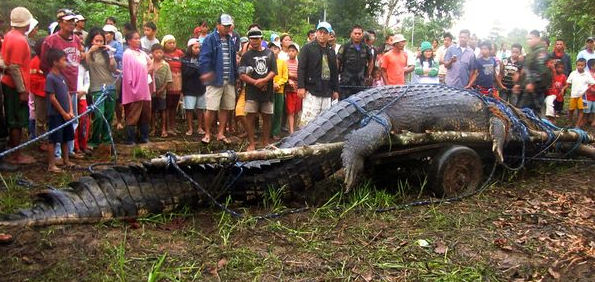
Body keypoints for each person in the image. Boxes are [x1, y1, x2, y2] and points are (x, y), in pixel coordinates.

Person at [41, 9, 85, 160]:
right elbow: (44, 63)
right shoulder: (51, 40)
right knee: (58, 119)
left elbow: (78, 59)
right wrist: (54, 78)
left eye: (74, 21)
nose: (72, 24)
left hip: (72, 84)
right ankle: (57, 154)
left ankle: (70, 151)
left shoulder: (76, 40)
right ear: (60, 23)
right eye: (68, 21)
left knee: (72, 118)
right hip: (57, 85)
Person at [2, 7, 35, 165]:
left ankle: (14, 151)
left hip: (10, 83)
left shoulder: (9, 35)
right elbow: (14, 67)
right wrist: (22, 90)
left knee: (14, 118)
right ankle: (16, 154)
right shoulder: (19, 40)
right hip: (15, 85)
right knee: (16, 119)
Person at [198, 14, 238, 145]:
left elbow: (233, 60)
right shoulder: (210, 39)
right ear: (218, 25)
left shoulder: (230, 40)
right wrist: (206, 73)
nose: (227, 28)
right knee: (211, 107)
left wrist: (235, 76)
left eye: (228, 26)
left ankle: (221, 133)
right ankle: (208, 133)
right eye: (225, 26)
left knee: (226, 107)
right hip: (215, 79)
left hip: (229, 78)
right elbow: (204, 59)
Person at [239, 28, 277, 151]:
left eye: (256, 38)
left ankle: (265, 141)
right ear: (249, 40)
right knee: (250, 116)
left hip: (267, 90)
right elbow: (242, 74)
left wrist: (264, 80)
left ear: (261, 39)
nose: (254, 41)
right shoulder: (246, 56)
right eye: (252, 39)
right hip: (251, 91)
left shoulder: (270, 53)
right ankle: (252, 143)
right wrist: (256, 82)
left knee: (267, 116)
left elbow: (273, 71)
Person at [297, 21, 339, 128]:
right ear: (317, 32)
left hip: (327, 90)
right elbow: (301, 68)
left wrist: (335, 90)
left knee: (324, 122)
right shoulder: (307, 48)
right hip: (311, 89)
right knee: (308, 121)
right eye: (320, 32)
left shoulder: (331, 51)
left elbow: (334, 72)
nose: (322, 35)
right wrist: (301, 87)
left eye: (325, 33)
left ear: (330, 35)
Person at [85, 29, 117, 153]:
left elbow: (113, 68)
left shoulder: (106, 53)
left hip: (110, 86)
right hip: (96, 87)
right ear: (92, 41)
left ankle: (106, 140)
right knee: (99, 114)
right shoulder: (89, 52)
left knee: (109, 115)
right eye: (96, 40)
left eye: (101, 40)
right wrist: (90, 51)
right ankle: (94, 140)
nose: (99, 43)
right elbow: (87, 64)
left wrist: (111, 54)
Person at [45, 48, 76, 172]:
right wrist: (63, 112)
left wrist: (71, 110)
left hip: (66, 114)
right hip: (56, 114)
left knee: (66, 137)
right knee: (53, 139)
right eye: (64, 60)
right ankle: (51, 164)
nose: (66, 63)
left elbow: (68, 94)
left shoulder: (62, 77)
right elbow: (52, 98)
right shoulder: (50, 78)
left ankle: (66, 159)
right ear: (55, 62)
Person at [121, 31, 152, 145]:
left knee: (145, 112)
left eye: (139, 38)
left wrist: (145, 72)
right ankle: (131, 138)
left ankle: (144, 136)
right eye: (135, 38)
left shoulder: (142, 53)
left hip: (144, 87)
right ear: (129, 41)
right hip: (134, 88)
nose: (138, 40)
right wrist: (133, 84)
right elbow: (128, 72)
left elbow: (151, 64)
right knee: (133, 113)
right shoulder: (128, 53)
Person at [514, 30, 551, 114]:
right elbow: (527, 69)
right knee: (523, 112)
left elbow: (542, 71)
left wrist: (533, 84)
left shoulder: (540, 52)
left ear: (538, 39)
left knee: (531, 114)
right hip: (528, 89)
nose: (528, 41)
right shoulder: (532, 52)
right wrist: (519, 83)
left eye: (531, 38)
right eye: (528, 39)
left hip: (536, 90)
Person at [337, 25, 373, 99]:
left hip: (360, 82)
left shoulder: (366, 48)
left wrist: (368, 75)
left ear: (362, 35)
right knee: (344, 106)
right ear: (351, 34)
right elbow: (337, 61)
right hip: (346, 83)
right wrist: (336, 76)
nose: (357, 35)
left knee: (360, 105)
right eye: (355, 33)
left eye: (359, 34)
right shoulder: (345, 47)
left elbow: (371, 60)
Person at [182, 38, 206, 136]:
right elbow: (185, 73)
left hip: (201, 87)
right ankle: (190, 128)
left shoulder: (203, 58)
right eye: (195, 47)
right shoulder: (185, 59)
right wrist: (194, 68)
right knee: (189, 109)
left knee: (201, 108)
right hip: (189, 88)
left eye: (199, 48)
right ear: (190, 47)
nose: (198, 50)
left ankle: (200, 127)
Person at [161, 35, 184, 136]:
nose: (172, 45)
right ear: (164, 44)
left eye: (173, 42)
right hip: (167, 82)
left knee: (174, 105)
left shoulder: (179, 53)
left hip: (178, 81)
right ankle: (166, 127)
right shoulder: (162, 54)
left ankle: (173, 126)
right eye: (169, 43)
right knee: (167, 105)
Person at [562, 58, 595, 127]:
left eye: (582, 65)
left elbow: (592, 83)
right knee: (571, 110)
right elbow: (568, 83)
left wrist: (586, 89)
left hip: (583, 95)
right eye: (578, 65)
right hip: (573, 94)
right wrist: (563, 88)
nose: (580, 67)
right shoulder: (573, 73)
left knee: (581, 110)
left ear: (585, 66)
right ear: (576, 65)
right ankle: (570, 123)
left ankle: (577, 124)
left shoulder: (587, 74)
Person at [29, 37, 47, 151]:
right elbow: (32, 79)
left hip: (50, 94)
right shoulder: (35, 61)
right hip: (40, 93)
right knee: (40, 119)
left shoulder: (49, 60)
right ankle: (41, 141)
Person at [150, 44, 171, 138]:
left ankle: (163, 129)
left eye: (160, 52)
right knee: (152, 110)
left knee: (163, 110)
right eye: (156, 52)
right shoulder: (150, 63)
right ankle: (153, 128)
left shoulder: (166, 65)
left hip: (162, 92)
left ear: (163, 53)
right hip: (151, 92)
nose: (158, 54)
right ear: (152, 53)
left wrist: (162, 89)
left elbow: (168, 79)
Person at [268, 41, 288, 140]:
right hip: (269, 90)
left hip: (279, 90)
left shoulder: (282, 62)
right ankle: (268, 132)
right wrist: (272, 84)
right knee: (269, 112)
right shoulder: (267, 61)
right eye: (271, 48)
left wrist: (278, 84)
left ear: (279, 50)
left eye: (275, 48)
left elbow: (285, 76)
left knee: (278, 111)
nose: (273, 50)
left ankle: (275, 131)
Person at [284, 42, 300, 134]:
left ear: (297, 52)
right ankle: (291, 131)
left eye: (293, 51)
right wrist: (289, 78)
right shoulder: (285, 63)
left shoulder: (299, 64)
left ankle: (293, 130)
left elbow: (301, 76)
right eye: (289, 51)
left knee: (297, 111)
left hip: (297, 90)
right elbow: (284, 75)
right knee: (290, 112)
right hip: (289, 91)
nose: (291, 53)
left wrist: (291, 75)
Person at [584, 59, 595, 127]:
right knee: (586, 109)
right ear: (591, 66)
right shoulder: (587, 74)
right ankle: (585, 119)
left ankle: (594, 120)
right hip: (588, 95)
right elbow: (585, 83)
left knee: (594, 109)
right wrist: (591, 89)